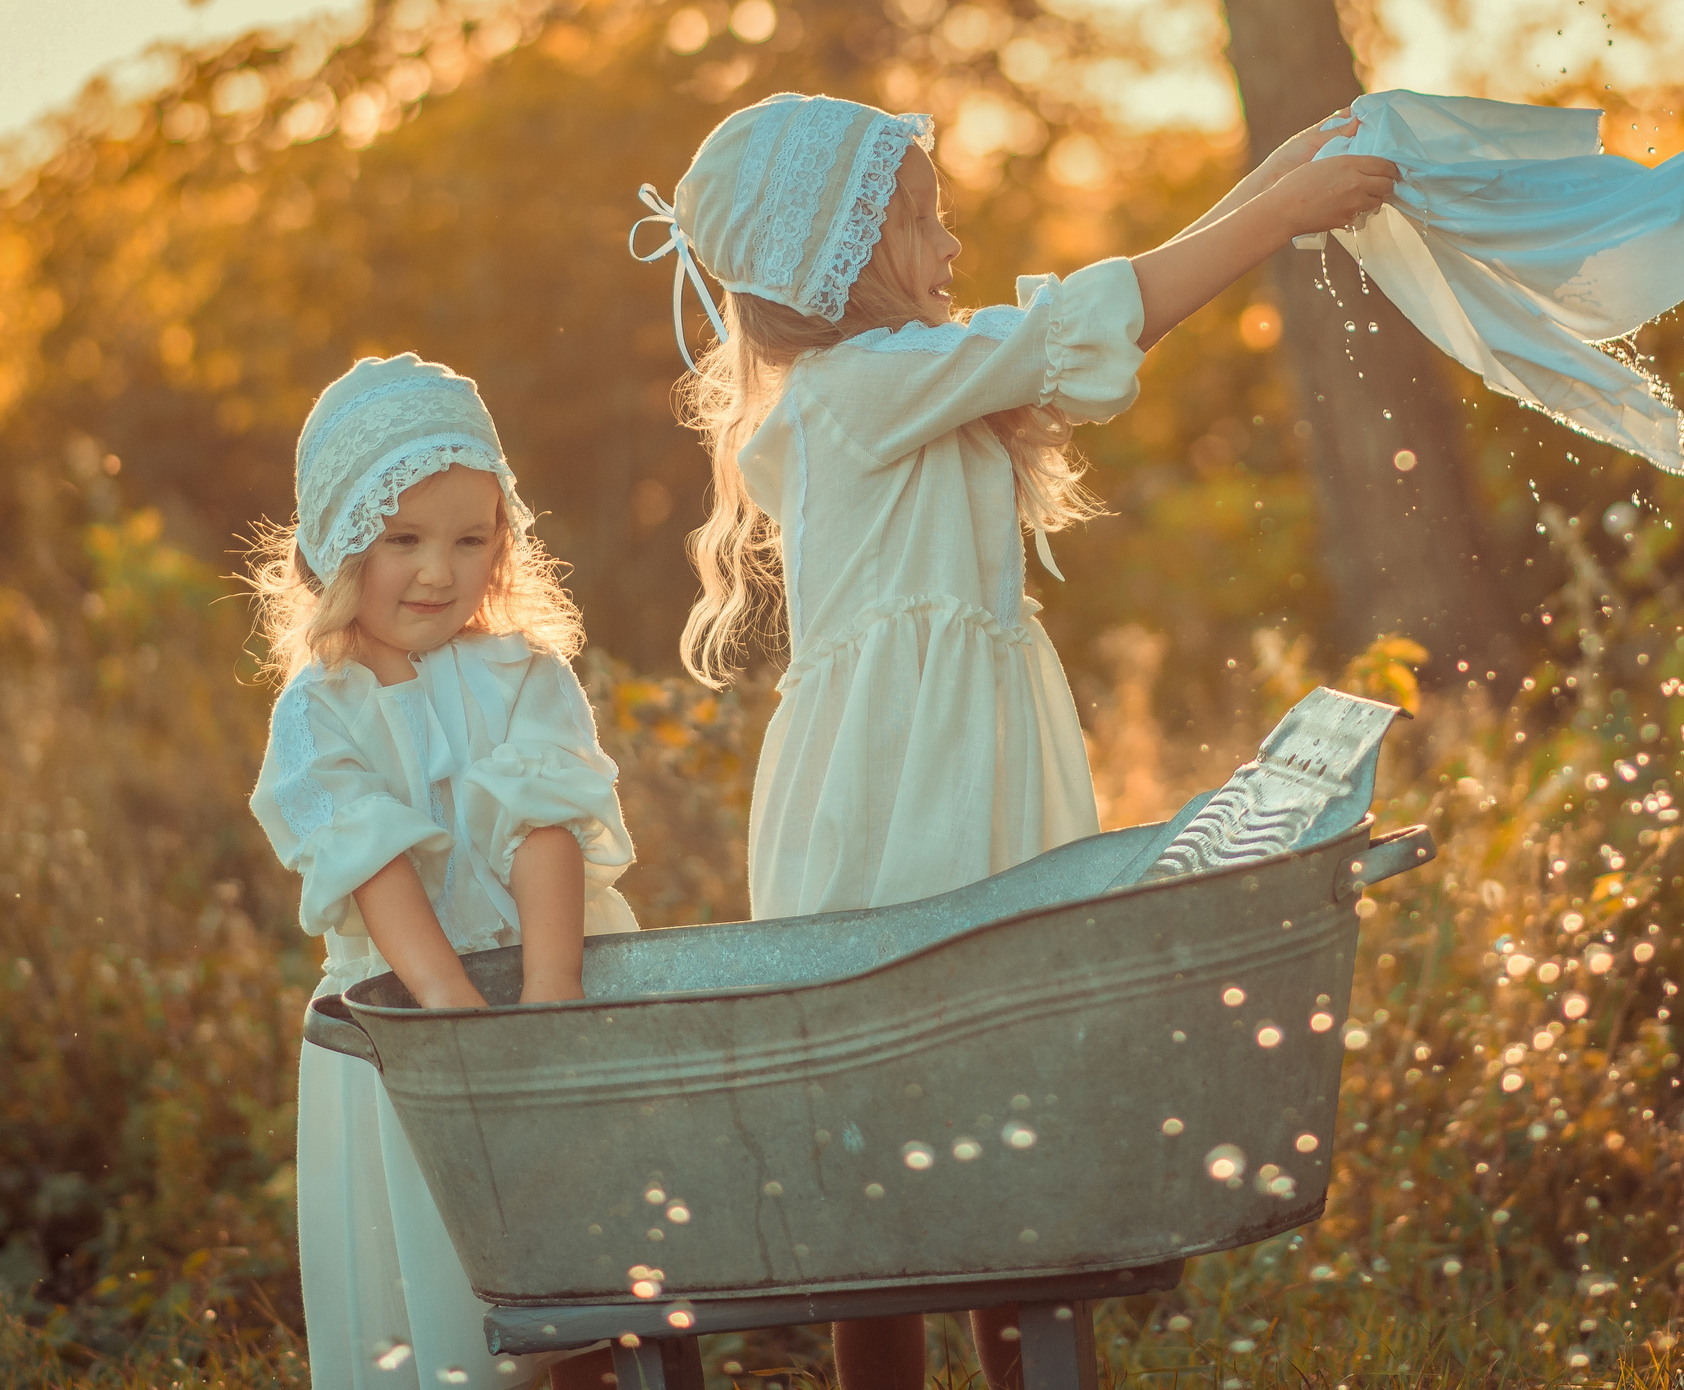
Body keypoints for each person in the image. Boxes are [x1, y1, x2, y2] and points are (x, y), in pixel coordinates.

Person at [629, 92, 1396, 1390]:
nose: (951, 245)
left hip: (960, 759)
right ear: (845, 263)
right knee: (884, 1130)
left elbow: (1075, 323)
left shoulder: (897, 383)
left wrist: (1277, 177)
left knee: (1009, 1114)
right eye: (923, 223)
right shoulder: (853, 393)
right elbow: (1090, 322)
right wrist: (1272, 218)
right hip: (901, 789)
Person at [246, 354, 638, 1390]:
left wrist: (546, 1007)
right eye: (402, 540)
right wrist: (455, 1023)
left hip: (543, 994)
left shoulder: (523, 675)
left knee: (580, 1285)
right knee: (438, 1288)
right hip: (408, 1029)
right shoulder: (317, 710)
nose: (439, 571)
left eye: (471, 539)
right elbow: (376, 867)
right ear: (336, 546)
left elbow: (545, 827)